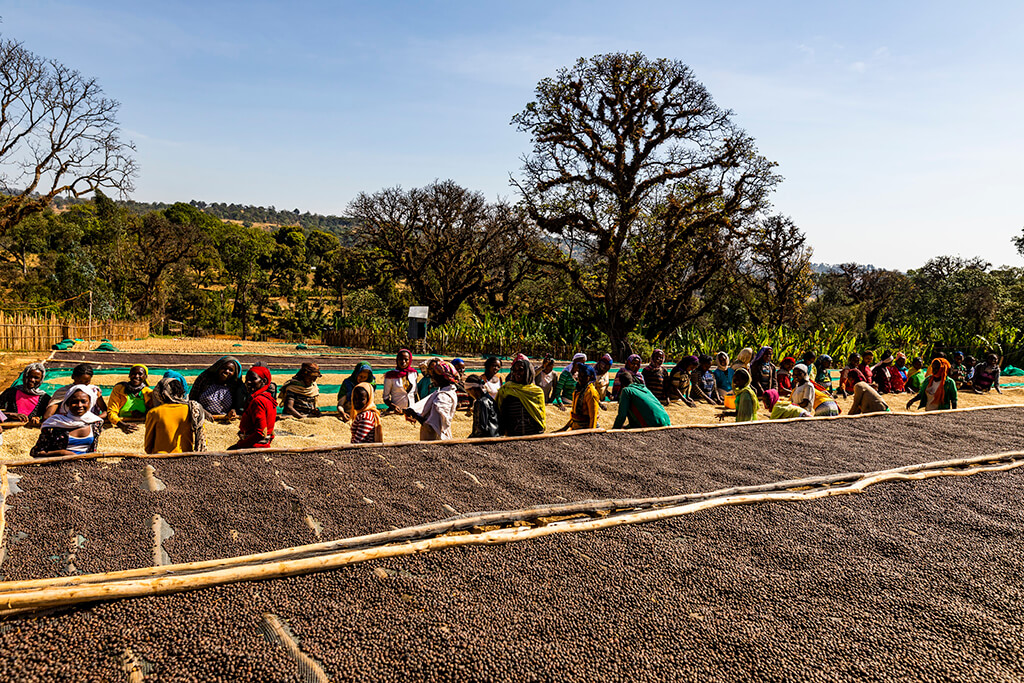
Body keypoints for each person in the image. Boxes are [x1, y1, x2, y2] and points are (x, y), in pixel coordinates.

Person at [31, 385, 103, 457]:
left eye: (83, 401)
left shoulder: (95, 423)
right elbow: (35, 452)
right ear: (67, 403)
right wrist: (62, 453)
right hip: (57, 466)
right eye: (75, 402)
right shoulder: (54, 424)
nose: (79, 405)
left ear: (90, 403)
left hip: (85, 466)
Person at [144, 375, 207, 454]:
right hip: (186, 456)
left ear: (161, 393)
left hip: (160, 457)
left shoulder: (154, 413)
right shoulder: (193, 409)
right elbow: (202, 435)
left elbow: (148, 446)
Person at [404, 360, 459, 441]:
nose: (432, 378)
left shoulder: (443, 397)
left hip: (436, 439)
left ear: (442, 378)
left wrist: (415, 416)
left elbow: (433, 426)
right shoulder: (447, 391)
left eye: (434, 376)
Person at [228, 366, 277, 449]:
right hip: (263, 445)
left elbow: (261, 432)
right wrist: (267, 442)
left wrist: (241, 445)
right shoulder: (269, 399)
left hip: (254, 445)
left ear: (264, 381)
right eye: (247, 380)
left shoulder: (258, 401)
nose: (248, 382)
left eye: (253, 379)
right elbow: (271, 431)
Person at [496, 357, 546, 436]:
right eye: (515, 370)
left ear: (528, 371)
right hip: (512, 435)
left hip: (533, 434)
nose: (517, 373)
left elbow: (540, 415)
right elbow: (499, 412)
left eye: (521, 370)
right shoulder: (506, 390)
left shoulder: (536, 392)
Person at [106, 365, 152, 434]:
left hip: (141, 425)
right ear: (129, 375)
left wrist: (143, 414)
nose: (136, 376)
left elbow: (154, 412)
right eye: (133, 373)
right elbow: (111, 411)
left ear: (145, 377)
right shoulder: (119, 389)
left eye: (140, 374)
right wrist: (121, 424)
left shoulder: (148, 393)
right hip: (120, 423)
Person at [557, 363, 601, 431]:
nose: (581, 378)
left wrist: (591, 433)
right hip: (576, 427)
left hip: (585, 429)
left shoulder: (591, 393)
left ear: (591, 377)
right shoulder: (578, 389)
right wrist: (566, 427)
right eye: (580, 376)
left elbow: (593, 416)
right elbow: (575, 413)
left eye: (584, 376)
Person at [382, 349, 418, 414]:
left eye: (406, 359)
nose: (403, 361)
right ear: (397, 360)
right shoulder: (391, 376)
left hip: (412, 411)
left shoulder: (413, 374)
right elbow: (385, 398)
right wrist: (394, 406)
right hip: (397, 412)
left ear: (410, 360)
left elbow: (414, 394)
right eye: (400, 359)